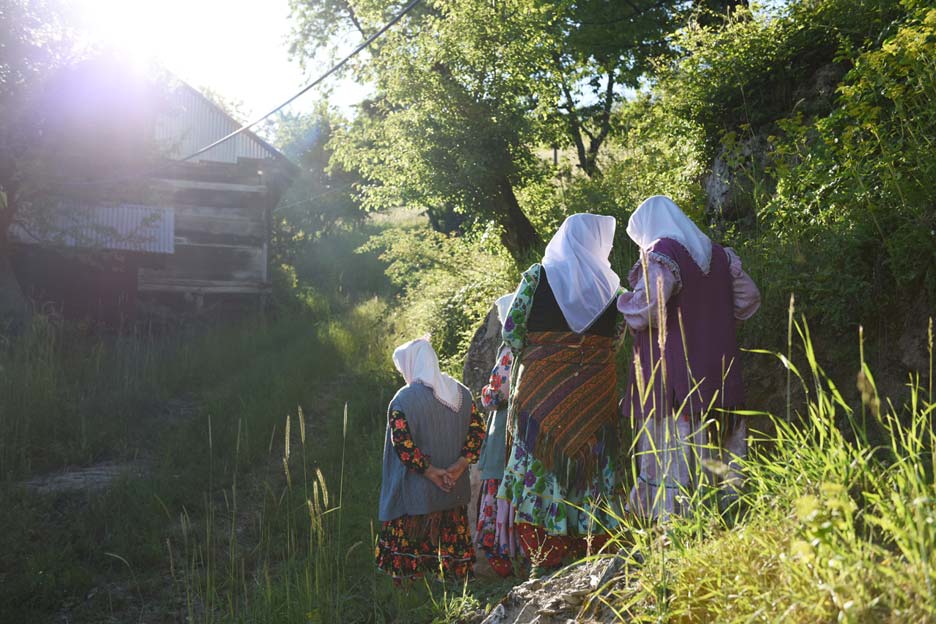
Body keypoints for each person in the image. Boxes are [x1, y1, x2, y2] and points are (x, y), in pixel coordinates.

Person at [497, 213, 625, 577]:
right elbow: (616, 340)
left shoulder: (537, 277)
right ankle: (594, 556)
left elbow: (512, 330)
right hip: (594, 396)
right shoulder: (613, 290)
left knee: (540, 466)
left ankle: (545, 558)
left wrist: (546, 357)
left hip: (540, 395)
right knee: (594, 469)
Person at [617, 195, 761, 519]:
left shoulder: (663, 252)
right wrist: (715, 318)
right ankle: (728, 507)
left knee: (675, 442)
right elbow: (749, 298)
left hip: (675, 370)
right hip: (719, 366)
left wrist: (624, 302)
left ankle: (678, 517)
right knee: (720, 434)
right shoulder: (720, 255)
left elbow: (649, 306)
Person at [376, 337, 486, 582]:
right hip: (453, 490)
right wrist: (460, 466)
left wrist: (430, 471)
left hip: (415, 495)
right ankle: (454, 585)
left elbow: (402, 443)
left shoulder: (403, 399)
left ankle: (415, 589)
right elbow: (478, 431)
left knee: (413, 559)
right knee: (452, 561)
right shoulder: (461, 393)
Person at [474, 293, 525, 577]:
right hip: (525, 425)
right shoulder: (533, 342)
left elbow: (496, 394)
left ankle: (504, 555)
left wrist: (485, 393)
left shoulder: (509, 349)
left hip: (505, 426)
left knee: (499, 483)